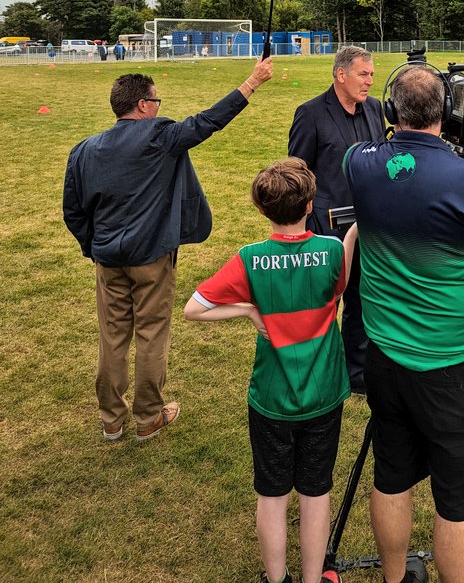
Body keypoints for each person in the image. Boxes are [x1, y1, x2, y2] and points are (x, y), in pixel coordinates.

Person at [342, 65, 464, 583]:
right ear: (446, 115)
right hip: (452, 363)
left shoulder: (359, 162)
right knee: (458, 502)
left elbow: (376, 163)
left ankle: (395, 577)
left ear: (387, 112)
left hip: (383, 356)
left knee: (392, 476)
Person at [62, 57, 273, 442]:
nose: (160, 107)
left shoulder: (83, 150)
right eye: (157, 101)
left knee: (112, 337)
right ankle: (147, 417)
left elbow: (73, 212)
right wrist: (252, 82)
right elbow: (208, 122)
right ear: (143, 105)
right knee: (151, 334)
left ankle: (111, 419)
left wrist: (93, 247)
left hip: (107, 260)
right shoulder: (159, 136)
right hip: (152, 259)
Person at [184, 157, 352, 583]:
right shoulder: (332, 251)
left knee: (272, 496)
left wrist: (245, 310)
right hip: (323, 394)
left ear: (261, 210)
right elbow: (342, 282)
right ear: (311, 204)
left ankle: (276, 580)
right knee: (316, 495)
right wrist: (354, 231)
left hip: (271, 400)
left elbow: (194, 309)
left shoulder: (249, 259)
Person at [288, 45, 385, 393]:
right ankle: (312, 372)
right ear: (341, 75)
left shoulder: (374, 109)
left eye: (372, 74)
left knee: (360, 300)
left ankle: (355, 374)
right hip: (325, 229)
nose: (370, 82)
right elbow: (296, 172)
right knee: (320, 305)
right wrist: (303, 225)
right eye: (364, 74)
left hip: (368, 227)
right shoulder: (310, 113)